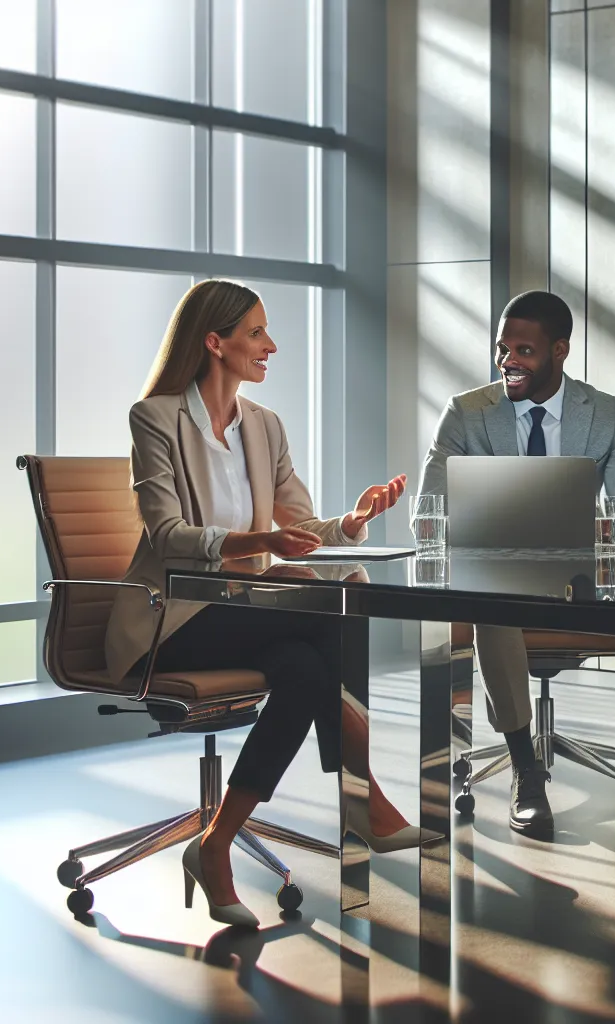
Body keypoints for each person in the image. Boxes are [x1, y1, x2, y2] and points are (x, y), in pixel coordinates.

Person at [105, 279, 413, 929]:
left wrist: (350, 524)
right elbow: (168, 535)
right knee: (331, 611)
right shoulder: (155, 418)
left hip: (245, 612)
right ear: (213, 343)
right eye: (255, 333)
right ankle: (362, 789)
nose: (271, 345)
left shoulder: (264, 428)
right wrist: (258, 539)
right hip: (170, 618)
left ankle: (214, 845)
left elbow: (298, 529)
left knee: (304, 668)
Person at [420, 290, 615, 838]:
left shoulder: (605, 415)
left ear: (560, 350)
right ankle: (526, 768)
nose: (509, 362)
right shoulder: (467, 413)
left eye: (524, 350)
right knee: (491, 597)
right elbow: (429, 516)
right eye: (503, 349)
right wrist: (498, 526)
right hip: (501, 582)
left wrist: (572, 521)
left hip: (584, 587)